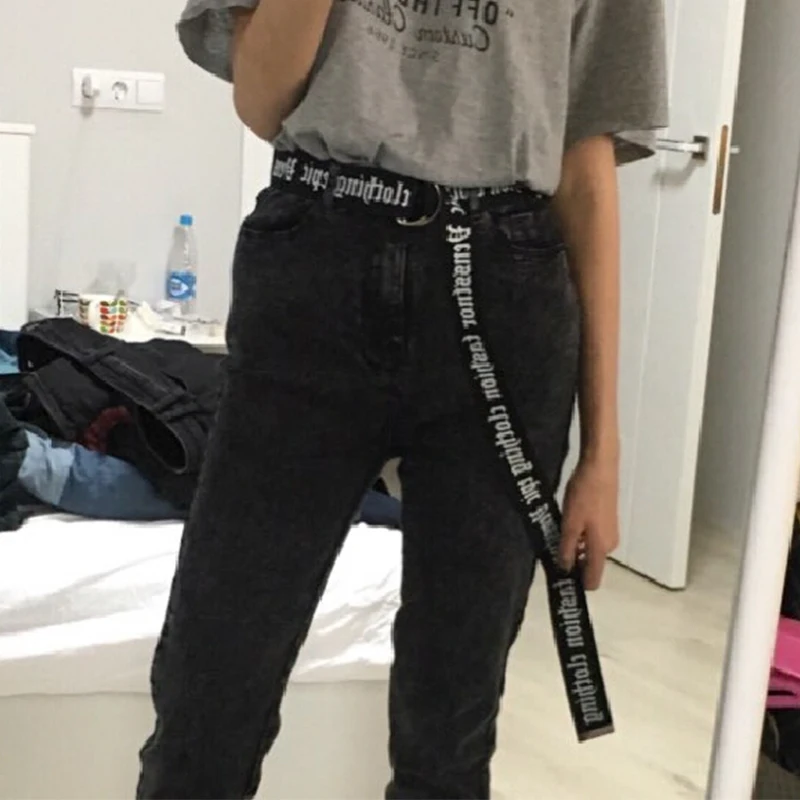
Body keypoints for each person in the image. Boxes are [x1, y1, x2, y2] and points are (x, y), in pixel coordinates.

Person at [137, 1, 668, 797]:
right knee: (208, 690)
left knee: (451, 719)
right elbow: (261, 100)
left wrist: (603, 450)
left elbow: (585, 168)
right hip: (317, 250)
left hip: (505, 282)